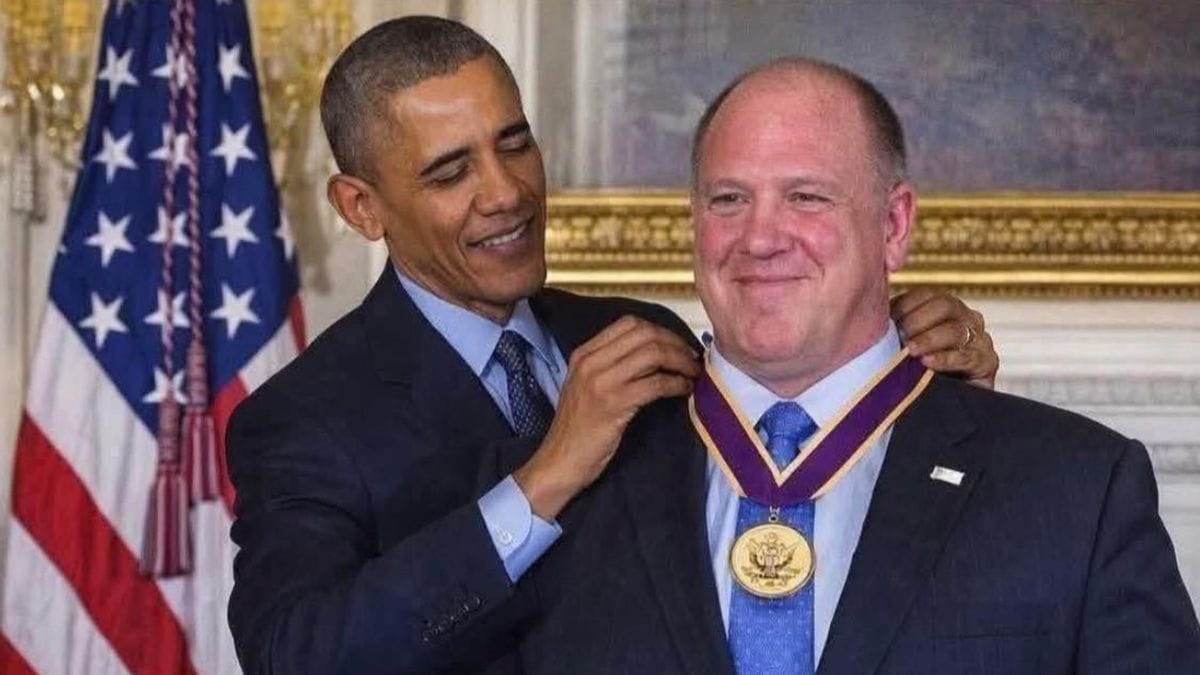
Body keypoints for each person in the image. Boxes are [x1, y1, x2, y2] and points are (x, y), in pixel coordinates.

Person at [225, 18, 1000, 675]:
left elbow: (790, 457)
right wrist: (544, 479)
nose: (506, 192)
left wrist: (908, 356)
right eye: (451, 171)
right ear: (362, 206)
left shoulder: (637, 333)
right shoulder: (303, 417)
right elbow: (295, 653)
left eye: (514, 143)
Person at [518, 58, 1200, 674]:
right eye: (729, 199)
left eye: (806, 197)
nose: (760, 237)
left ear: (895, 225)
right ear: (693, 222)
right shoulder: (569, 483)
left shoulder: (1077, 489)